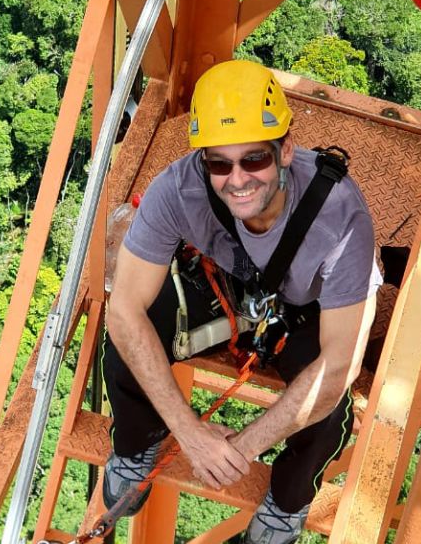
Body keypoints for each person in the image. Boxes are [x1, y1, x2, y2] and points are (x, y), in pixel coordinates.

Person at [103, 59, 382, 543]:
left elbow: (337, 367)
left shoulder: (340, 217)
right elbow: (124, 309)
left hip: (305, 309)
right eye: (219, 163)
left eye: (254, 159)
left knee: (330, 408)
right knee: (129, 334)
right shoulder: (180, 188)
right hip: (228, 286)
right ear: (203, 161)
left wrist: (239, 447)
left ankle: (287, 502)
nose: (237, 179)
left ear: (286, 150)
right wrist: (189, 434)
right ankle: (136, 441)